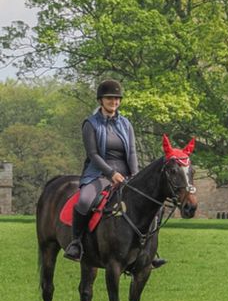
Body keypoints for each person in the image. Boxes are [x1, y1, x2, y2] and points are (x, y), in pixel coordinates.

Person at [65, 79, 166, 268]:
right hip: (99, 173)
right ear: (101, 100)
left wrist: (136, 176)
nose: (114, 102)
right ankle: (76, 243)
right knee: (85, 201)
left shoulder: (126, 124)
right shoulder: (90, 124)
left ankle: (149, 251)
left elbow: (133, 152)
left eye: (117, 98)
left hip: (126, 174)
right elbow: (93, 154)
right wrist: (111, 173)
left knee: (155, 205)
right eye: (110, 98)